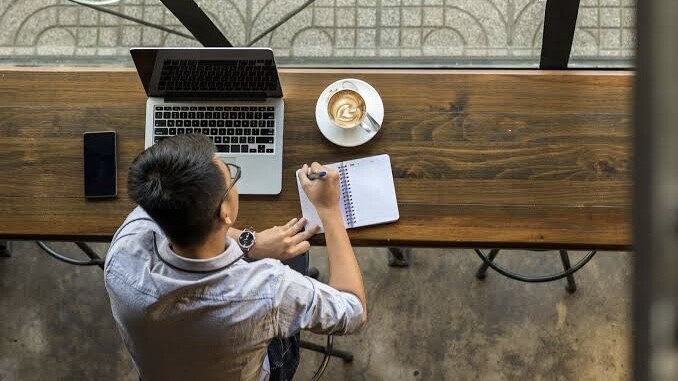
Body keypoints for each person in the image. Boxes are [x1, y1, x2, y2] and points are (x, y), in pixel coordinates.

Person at [103, 134, 367, 381]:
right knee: (297, 261)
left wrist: (249, 243)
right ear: (225, 213)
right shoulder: (268, 288)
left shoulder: (123, 252)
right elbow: (353, 311)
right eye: (231, 178)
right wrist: (329, 209)